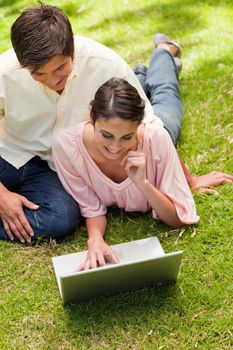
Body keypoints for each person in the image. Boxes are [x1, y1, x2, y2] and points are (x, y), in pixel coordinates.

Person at [0, 3, 231, 244]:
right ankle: (140, 75)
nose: (52, 80)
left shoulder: (104, 63)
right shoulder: (4, 73)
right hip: (17, 154)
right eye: (38, 74)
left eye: (60, 68)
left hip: (114, 135)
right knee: (61, 217)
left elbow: (150, 124)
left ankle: (164, 54)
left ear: (72, 51)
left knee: (165, 110)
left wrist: (189, 180)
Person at [52, 77, 200, 270]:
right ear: (91, 116)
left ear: (139, 125)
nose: (115, 147)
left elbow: (178, 219)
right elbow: (91, 207)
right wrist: (95, 240)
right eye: (107, 135)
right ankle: (140, 73)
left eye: (126, 137)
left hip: (164, 131)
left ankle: (164, 51)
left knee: (165, 94)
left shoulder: (157, 139)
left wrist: (143, 183)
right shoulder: (66, 146)